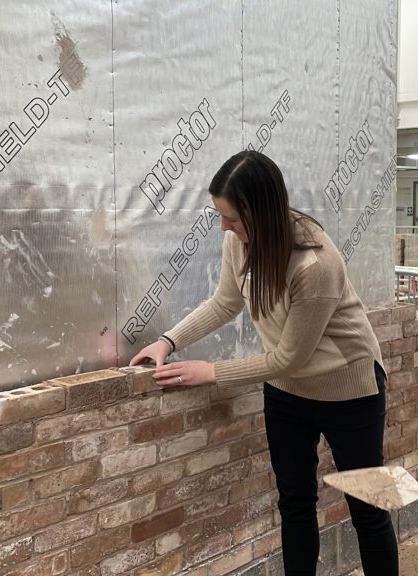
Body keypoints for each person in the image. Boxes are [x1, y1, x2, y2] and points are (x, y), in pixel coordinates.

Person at [130, 150, 399, 575]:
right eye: (220, 216)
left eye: (232, 218)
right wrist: (169, 340)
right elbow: (225, 302)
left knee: (367, 504)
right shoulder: (239, 242)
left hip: (348, 390)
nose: (224, 227)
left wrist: (212, 373)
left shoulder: (314, 263)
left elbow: (291, 355)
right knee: (294, 503)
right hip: (288, 393)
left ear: (262, 212)